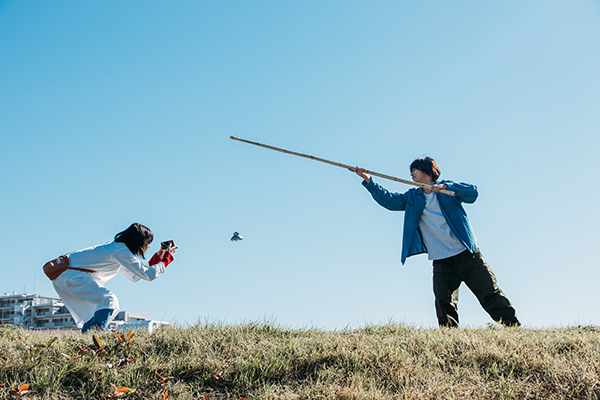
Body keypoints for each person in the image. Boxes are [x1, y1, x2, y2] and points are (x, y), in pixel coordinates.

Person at [352, 157, 520, 327]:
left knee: (489, 293)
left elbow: (473, 193)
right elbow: (389, 201)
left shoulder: (447, 190)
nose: (411, 174)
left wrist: (448, 188)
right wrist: (369, 180)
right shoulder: (413, 196)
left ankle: (513, 327)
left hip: (467, 255)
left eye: (414, 169)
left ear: (426, 171)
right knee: (443, 302)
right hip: (441, 260)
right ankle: (450, 339)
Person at [51, 223, 175, 333]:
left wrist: (159, 257)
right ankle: (96, 336)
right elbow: (148, 274)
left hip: (66, 276)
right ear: (139, 241)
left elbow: (134, 276)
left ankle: (88, 338)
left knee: (96, 309)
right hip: (70, 275)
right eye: (148, 242)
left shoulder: (117, 249)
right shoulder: (120, 250)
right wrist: (166, 259)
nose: (148, 246)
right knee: (109, 300)